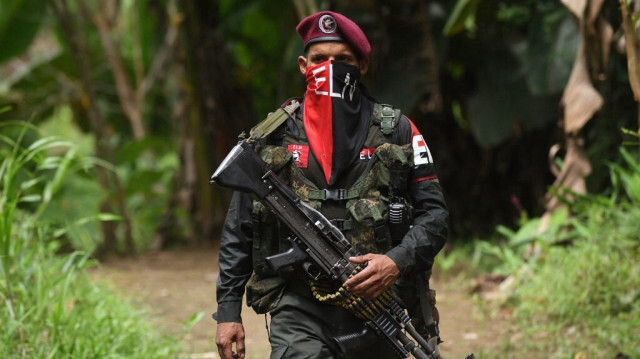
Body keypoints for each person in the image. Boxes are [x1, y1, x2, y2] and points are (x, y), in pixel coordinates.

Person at [214, 10, 449, 359]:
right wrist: (228, 312)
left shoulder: (398, 131)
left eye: (343, 60)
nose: (330, 68)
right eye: (319, 59)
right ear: (303, 66)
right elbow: (240, 226)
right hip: (300, 306)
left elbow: (435, 216)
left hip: (381, 301)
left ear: (362, 66)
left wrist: (395, 262)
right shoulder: (273, 137)